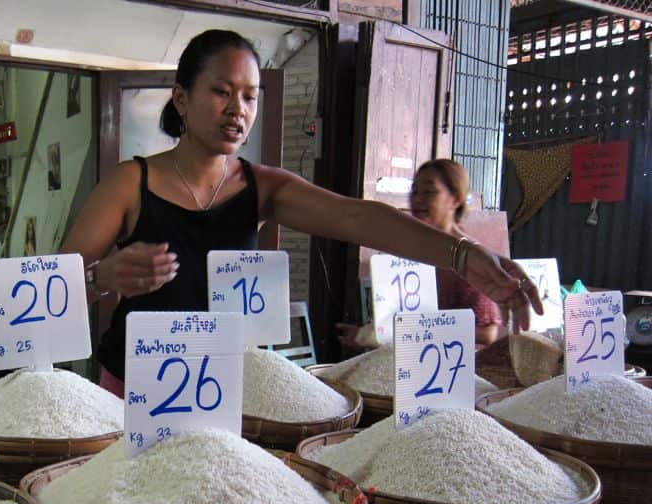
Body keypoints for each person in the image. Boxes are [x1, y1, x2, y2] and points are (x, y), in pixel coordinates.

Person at [60, 30, 541, 396]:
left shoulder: (262, 187)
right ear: (182, 98)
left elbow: (359, 218)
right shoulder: (130, 183)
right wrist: (104, 275)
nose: (238, 110)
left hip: (222, 390)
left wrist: (462, 253)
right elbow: (55, 286)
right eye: (221, 92)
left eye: (249, 96)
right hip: (130, 386)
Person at [338, 158, 503, 351]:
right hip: (406, 363)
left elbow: (488, 333)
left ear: (456, 199)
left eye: (429, 192)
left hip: (451, 368)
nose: (417, 199)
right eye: (414, 191)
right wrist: (367, 334)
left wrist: (425, 330)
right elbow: (395, 319)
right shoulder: (405, 252)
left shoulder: (468, 257)